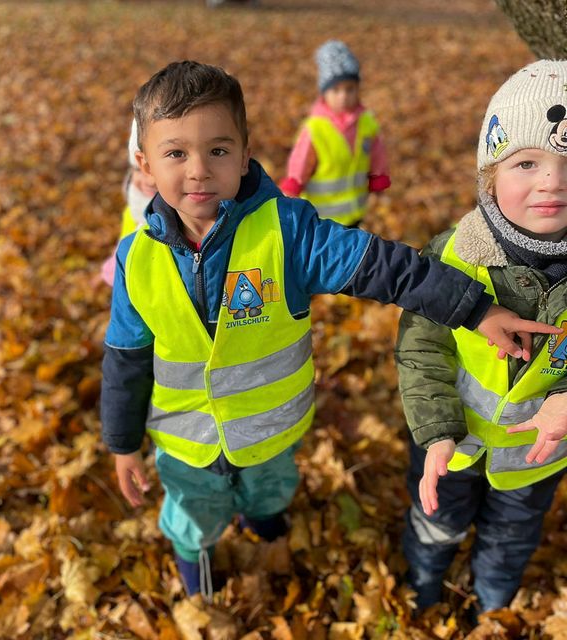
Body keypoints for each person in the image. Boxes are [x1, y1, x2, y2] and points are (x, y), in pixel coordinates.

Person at [101, 60, 559, 600]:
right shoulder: (136, 261)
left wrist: (475, 310)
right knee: (193, 519)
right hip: (184, 442)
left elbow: (385, 268)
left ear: (245, 155)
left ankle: (268, 534)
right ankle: (200, 594)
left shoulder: (285, 230)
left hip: (271, 432)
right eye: (176, 153)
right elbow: (125, 360)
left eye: (218, 150)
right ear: (145, 164)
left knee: (269, 496)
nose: (198, 169)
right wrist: (122, 443)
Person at [395, 59, 567, 616]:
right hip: (452, 443)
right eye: (526, 162)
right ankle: (423, 586)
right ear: (490, 177)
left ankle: (491, 606)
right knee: (435, 523)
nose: (553, 181)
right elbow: (422, 348)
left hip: (535, 458)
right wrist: (436, 430)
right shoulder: (456, 257)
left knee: (512, 538)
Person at [279, 40, 390, 228]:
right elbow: (301, 160)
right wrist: (294, 184)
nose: (343, 96)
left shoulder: (366, 123)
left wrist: (378, 178)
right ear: (324, 93)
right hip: (322, 216)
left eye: (350, 89)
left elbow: (377, 154)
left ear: (358, 90)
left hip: (355, 210)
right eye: (336, 90)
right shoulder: (315, 128)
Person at [100, 119, 156, 286]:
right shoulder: (134, 206)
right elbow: (124, 242)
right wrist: (107, 273)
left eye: (154, 170)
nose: (149, 181)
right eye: (139, 170)